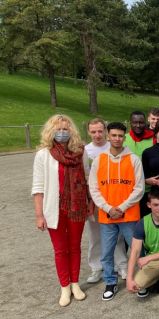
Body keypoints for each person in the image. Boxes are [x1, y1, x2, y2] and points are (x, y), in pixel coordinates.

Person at [32, 114, 90, 307]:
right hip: (54, 209)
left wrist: (89, 203)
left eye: (66, 129)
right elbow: (38, 187)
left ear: (71, 131)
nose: (62, 132)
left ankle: (75, 284)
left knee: (75, 247)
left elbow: (88, 180)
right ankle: (64, 286)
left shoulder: (80, 152)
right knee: (60, 250)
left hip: (77, 208)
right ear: (51, 131)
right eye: (58, 129)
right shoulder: (43, 155)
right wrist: (39, 215)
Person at [89, 122, 145, 301]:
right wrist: (107, 208)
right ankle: (110, 282)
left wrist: (121, 208)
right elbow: (94, 188)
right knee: (106, 252)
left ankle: (141, 280)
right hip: (107, 216)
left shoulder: (134, 159)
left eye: (120, 136)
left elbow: (139, 188)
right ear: (107, 136)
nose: (117, 139)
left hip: (128, 215)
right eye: (113, 135)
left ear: (125, 137)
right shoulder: (99, 160)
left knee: (137, 251)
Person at [84, 118, 128, 283]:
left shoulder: (115, 148)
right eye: (93, 131)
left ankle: (121, 265)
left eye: (100, 131)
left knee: (117, 237)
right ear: (89, 132)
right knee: (95, 236)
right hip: (94, 200)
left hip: (115, 200)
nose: (97, 135)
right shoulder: (86, 151)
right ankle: (97, 267)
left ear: (106, 132)